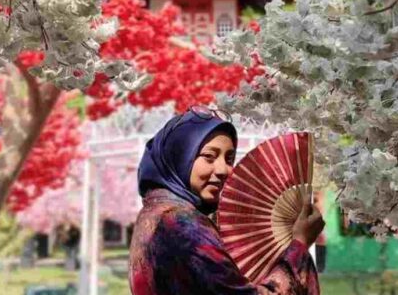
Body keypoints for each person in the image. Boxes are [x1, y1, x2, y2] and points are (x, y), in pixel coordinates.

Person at [129, 107, 325, 294]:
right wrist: (299, 244)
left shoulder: (153, 214)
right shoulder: (180, 223)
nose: (224, 170)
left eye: (229, 159)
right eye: (209, 157)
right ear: (179, 158)